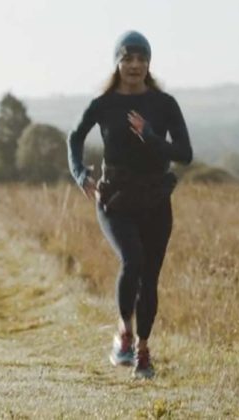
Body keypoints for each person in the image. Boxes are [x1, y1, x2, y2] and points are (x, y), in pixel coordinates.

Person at [66, 30, 193, 379]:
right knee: (132, 259)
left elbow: (185, 154)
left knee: (149, 277)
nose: (134, 65)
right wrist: (80, 173)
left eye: (141, 58)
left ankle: (144, 350)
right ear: (117, 62)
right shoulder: (103, 104)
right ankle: (124, 333)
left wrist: (151, 137)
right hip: (114, 198)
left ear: (148, 63)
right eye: (127, 58)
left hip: (154, 199)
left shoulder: (164, 104)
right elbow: (75, 137)